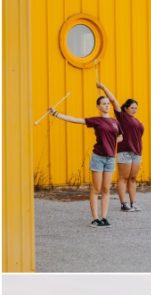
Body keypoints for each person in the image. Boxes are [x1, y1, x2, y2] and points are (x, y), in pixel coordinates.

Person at [47, 91, 122, 227]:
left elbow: (120, 136)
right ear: (98, 107)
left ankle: (104, 218)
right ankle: (95, 219)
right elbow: (76, 120)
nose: (107, 106)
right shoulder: (96, 120)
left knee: (106, 189)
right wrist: (56, 114)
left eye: (108, 104)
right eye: (103, 104)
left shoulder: (115, 122)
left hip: (110, 158)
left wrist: (111, 144)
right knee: (96, 188)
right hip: (98, 157)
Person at [97, 82, 144, 212]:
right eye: (132, 107)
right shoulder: (122, 117)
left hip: (137, 152)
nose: (135, 110)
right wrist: (102, 87)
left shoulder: (137, 121)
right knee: (123, 178)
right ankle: (124, 204)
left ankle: (133, 203)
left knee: (133, 178)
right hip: (125, 152)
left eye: (136, 108)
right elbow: (112, 100)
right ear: (126, 108)